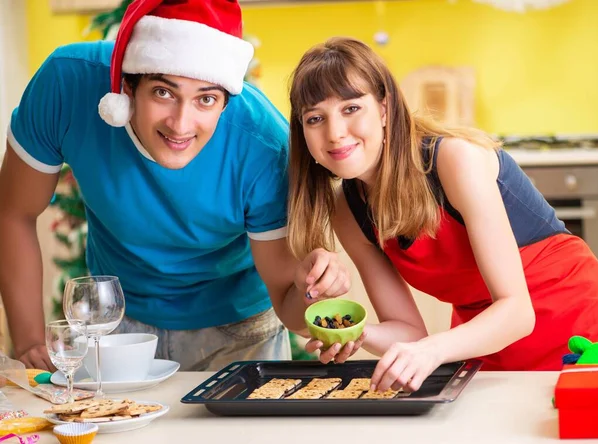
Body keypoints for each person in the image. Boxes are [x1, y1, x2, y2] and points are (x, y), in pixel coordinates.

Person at [0, 0, 350, 372]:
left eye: (206, 99)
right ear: (127, 86)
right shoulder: (66, 86)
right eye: (164, 93)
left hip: (239, 332)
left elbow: (288, 304)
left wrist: (314, 289)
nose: (181, 124)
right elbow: (14, 213)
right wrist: (29, 342)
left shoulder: (264, 146)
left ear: (226, 102)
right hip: (115, 326)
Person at [286, 36, 598, 393]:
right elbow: (409, 332)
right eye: (315, 118)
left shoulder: (454, 160)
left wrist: (432, 350)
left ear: (385, 109)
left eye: (351, 108)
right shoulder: (348, 209)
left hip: (576, 329)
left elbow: (516, 312)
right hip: (483, 339)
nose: (335, 133)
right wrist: (355, 335)